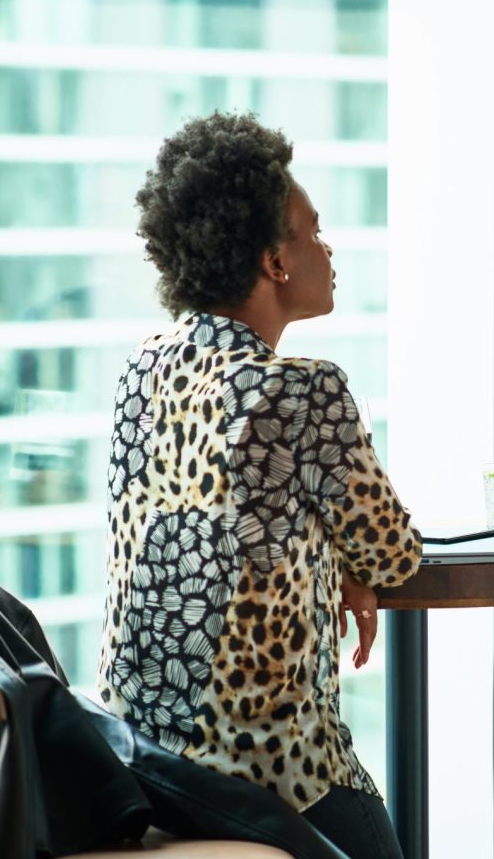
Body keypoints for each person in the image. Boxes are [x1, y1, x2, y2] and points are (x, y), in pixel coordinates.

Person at [98, 112, 420, 859]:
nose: (329, 248)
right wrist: (352, 566)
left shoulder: (139, 370)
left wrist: (333, 562)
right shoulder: (303, 391)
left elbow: (223, 515)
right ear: (275, 261)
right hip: (273, 775)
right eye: (313, 232)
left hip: (143, 764)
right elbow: (395, 554)